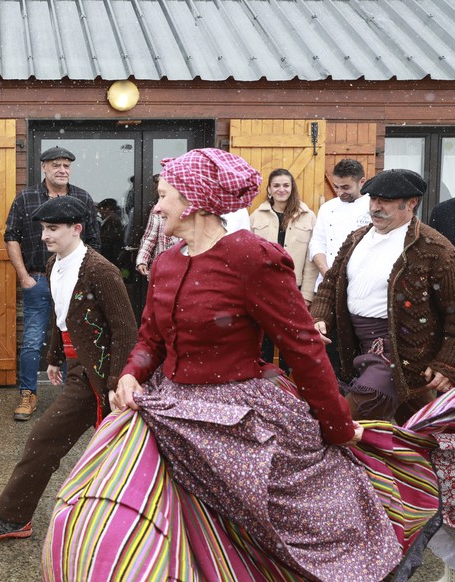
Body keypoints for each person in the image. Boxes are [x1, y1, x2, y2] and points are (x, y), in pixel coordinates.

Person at [57, 148, 408, 580]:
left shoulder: (253, 258)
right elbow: (150, 338)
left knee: (276, 514)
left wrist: (335, 426)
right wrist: (132, 373)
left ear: (195, 202)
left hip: (237, 412)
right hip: (168, 407)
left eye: (164, 195)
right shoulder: (167, 262)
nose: (157, 206)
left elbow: (303, 349)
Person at [0, 195, 137, 540]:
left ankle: (13, 518)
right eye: (43, 229)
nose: (45, 236)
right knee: (116, 449)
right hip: (78, 369)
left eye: (53, 229)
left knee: (44, 439)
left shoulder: (100, 270)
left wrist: (115, 381)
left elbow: (125, 330)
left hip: (98, 374)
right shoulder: (53, 265)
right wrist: (54, 358)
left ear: (76, 229)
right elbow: (60, 320)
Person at [311, 169, 455, 423]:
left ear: (411, 203)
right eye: (373, 199)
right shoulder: (357, 238)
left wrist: (448, 363)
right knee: (415, 429)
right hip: (356, 345)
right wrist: (320, 317)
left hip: (398, 351)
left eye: (384, 201)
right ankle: (414, 459)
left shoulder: (436, 249)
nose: (375, 207)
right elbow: (330, 285)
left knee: (344, 422)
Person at [4, 146, 101, 421]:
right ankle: (28, 394)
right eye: (56, 165)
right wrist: (24, 277)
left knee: (80, 335)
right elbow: (11, 237)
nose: (62, 170)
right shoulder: (26, 198)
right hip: (38, 279)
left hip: (75, 280)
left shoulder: (82, 198)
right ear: (44, 168)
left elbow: (94, 241)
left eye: (67, 165)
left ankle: (83, 393)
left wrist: (87, 278)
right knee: (33, 337)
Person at [249, 168, 319, 373]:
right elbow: (250, 258)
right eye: (276, 185)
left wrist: (306, 295)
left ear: (292, 188)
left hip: (294, 291)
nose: (281, 189)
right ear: (269, 189)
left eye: (286, 185)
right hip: (265, 291)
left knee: (292, 346)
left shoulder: (308, 217)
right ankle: (269, 391)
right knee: (264, 347)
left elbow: (310, 261)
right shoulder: (256, 217)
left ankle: (293, 393)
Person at [309, 158, 371, 290]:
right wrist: (327, 274)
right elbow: (317, 243)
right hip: (328, 282)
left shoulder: (373, 207)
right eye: (336, 186)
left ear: (362, 182)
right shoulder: (327, 208)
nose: (339, 192)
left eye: (346, 187)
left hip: (362, 284)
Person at [96, 198, 123, 266]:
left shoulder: (112, 221)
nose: (99, 211)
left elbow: (109, 238)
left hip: (111, 254)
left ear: (107, 209)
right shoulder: (112, 220)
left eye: (100, 209)